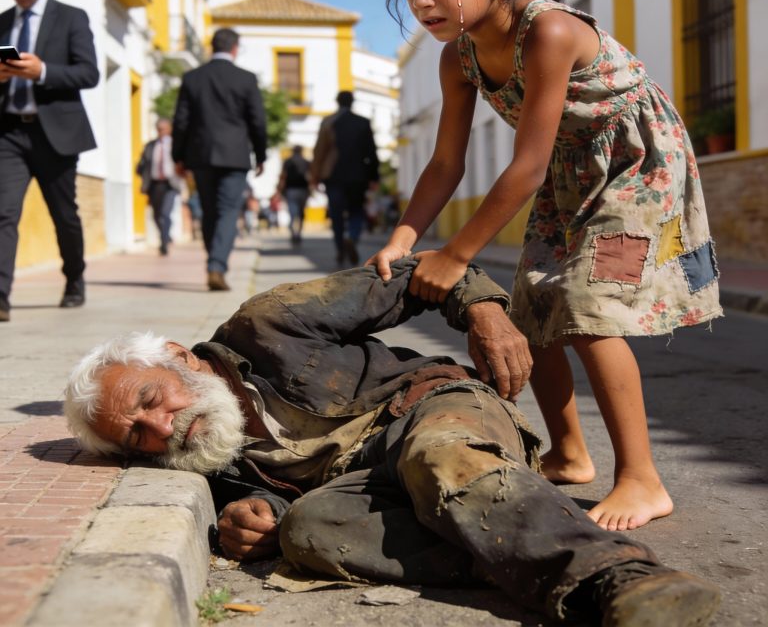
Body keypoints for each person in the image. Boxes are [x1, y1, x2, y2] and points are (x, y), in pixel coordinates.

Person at [64, 260, 720, 627]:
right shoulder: (207, 456)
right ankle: (517, 533)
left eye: (151, 401)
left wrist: (488, 313)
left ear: (178, 356)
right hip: (369, 484)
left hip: (431, 411)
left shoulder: (269, 321)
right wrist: (241, 522)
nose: (162, 428)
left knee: (435, 458)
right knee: (309, 531)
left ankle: (619, 578)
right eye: (137, 439)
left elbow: (417, 277)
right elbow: (252, 514)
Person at [369, 0, 723, 532]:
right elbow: (446, 162)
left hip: (638, 172)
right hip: (570, 175)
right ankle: (568, 454)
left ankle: (643, 479)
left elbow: (525, 165)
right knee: (533, 305)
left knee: (587, 309)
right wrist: (405, 235)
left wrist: (456, 254)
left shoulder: (552, 29)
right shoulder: (460, 57)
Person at [0, 0, 99, 322]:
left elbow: (89, 73)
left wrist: (42, 70)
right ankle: (1, 298)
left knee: (64, 215)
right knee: (3, 213)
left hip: (55, 133)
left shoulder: (72, 18)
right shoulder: (2, 21)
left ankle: (75, 279)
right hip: (8, 132)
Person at [172, 27, 267, 292]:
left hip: (200, 155)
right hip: (235, 156)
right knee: (227, 211)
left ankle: (213, 261)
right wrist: (260, 155)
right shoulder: (245, 79)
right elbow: (257, 121)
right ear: (235, 48)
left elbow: (181, 121)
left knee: (209, 211)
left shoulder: (193, 77)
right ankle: (216, 265)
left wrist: (178, 156)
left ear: (212, 47)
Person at [311, 91, 379, 266]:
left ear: (337, 101)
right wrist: (374, 176)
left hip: (333, 175)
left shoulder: (328, 122)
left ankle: (340, 248)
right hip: (358, 175)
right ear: (352, 102)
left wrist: (315, 175)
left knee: (336, 213)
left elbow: (319, 150)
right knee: (356, 210)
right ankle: (353, 237)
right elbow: (371, 152)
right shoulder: (363, 122)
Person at [136, 119, 182, 256]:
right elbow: (142, 164)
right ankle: (165, 235)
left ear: (169, 129)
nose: (161, 131)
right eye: (159, 129)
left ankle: (164, 241)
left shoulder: (175, 145)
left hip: (170, 184)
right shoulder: (150, 146)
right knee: (156, 215)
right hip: (155, 184)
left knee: (165, 213)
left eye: (164, 129)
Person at [277, 145, 310, 244]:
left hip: (291, 189)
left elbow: (283, 176)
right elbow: (310, 175)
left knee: (293, 213)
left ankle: (293, 232)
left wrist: (279, 189)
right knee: (301, 213)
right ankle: (298, 232)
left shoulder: (287, 161)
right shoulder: (306, 162)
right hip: (303, 189)